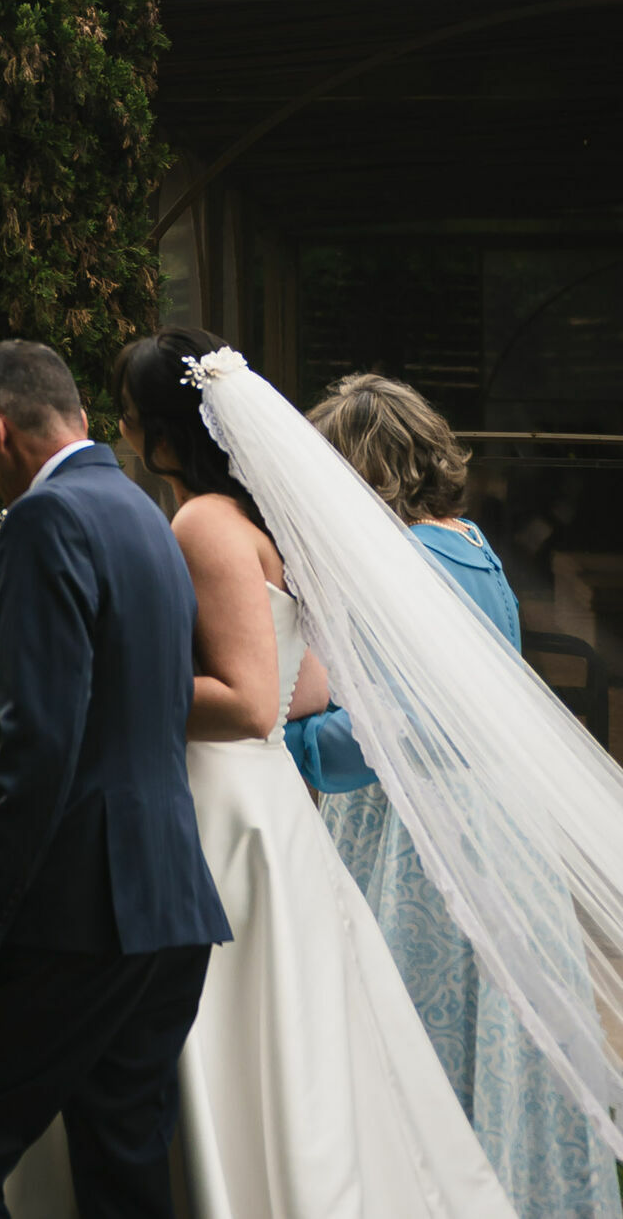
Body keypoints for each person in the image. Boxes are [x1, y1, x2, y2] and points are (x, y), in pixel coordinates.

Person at [111, 328, 514, 1218]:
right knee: (318, 1026)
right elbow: (318, 679)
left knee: (267, 1018)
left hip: (315, 813)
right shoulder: (434, 543)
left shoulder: (218, 526)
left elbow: (282, 705)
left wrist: (115, 689)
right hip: (378, 820)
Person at [0, 339, 230, 1217]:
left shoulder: (46, 521)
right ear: (77, 415)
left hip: (78, 912)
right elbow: (116, 701)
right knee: (122, 1169)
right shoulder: (142, 514)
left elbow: (43, 748)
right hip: (168, 906)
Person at [284, 374, 621, 1219]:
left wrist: (287, 743)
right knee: (499, 1040)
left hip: (419, 836)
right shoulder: (473, 543)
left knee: (412, 1044)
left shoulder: (393, 559)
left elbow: (400, 727)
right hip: (503, 825)